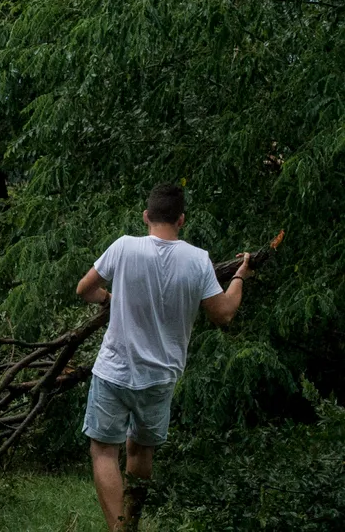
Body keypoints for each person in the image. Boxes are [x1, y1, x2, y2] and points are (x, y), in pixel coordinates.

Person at [75, 183, 252, 531]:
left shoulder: (124, 247)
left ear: (146, 216)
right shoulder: (197, 259)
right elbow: (223, 313)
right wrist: (240, 276)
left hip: (114, 371)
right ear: (181, 219)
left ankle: (119, 530)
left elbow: (85, 289)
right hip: (159, 378)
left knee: (104, 451)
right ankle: (131, 523)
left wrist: (109, 298)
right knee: (141, 451)